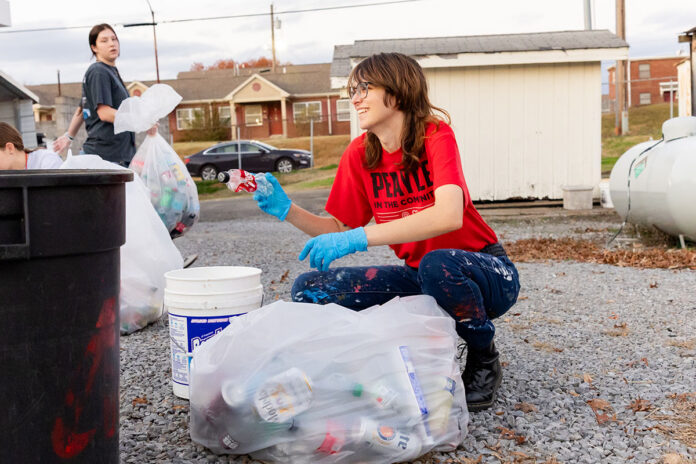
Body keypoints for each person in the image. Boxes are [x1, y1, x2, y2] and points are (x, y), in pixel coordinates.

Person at [252, 53, 520, 412]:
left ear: (397, 90)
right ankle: (365, 365)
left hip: (486, 273)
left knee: (437, 264)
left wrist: (361, 237)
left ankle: (484, 357)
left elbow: (449, 215)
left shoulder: (435, 135)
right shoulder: (359, 154)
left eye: (365, 87)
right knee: (310, 289)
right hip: (422, 276)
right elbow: (337, 229)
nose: (356, 98)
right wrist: (288, 211)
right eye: (353, 90)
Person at [53, 23, 154, 167]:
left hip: (114, 155)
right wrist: (140, 120)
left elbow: (83, 107)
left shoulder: (109, 71)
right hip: (106, 157)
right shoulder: (99, 71)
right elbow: (104, 113)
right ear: (94, 47)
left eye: (114, 39)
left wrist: (69, 135)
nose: (112, 44)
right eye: (104, 41)